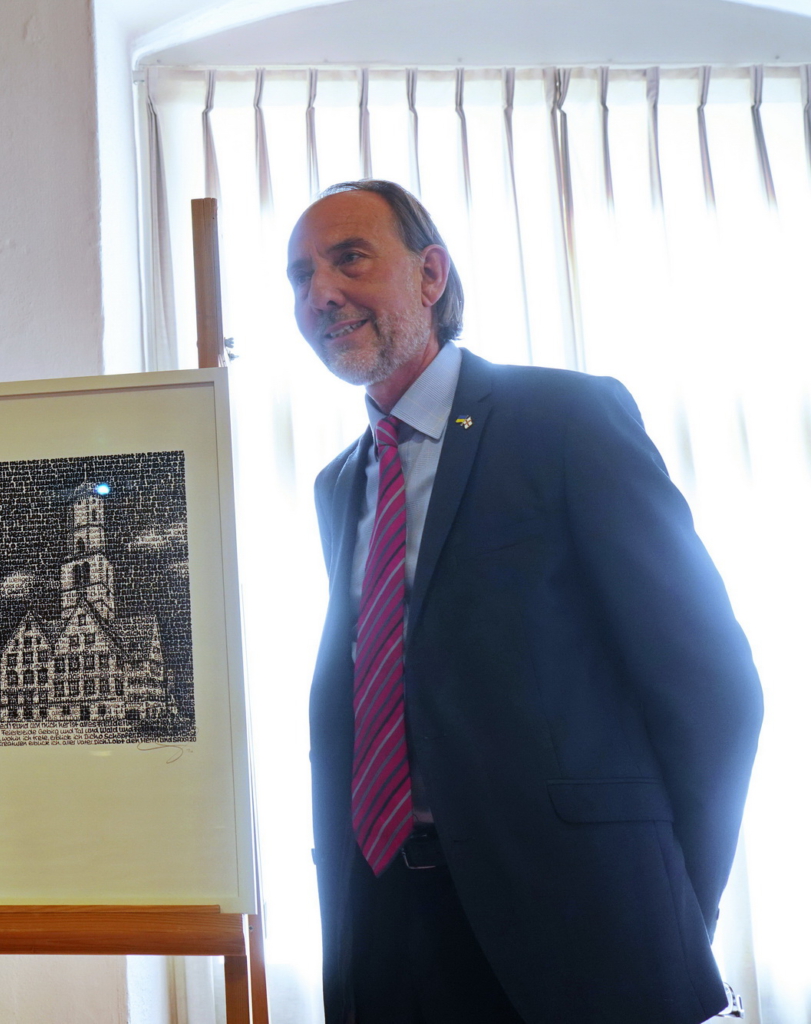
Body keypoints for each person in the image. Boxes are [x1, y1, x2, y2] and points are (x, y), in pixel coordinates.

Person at [288, 181, 761, 1024]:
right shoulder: (338, 484)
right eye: (300, 276)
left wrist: (669, 898)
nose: (319, 292)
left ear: (430, 275)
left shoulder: (564, 419)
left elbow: (711, 687)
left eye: (348, 259)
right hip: (388, 927)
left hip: (581, 922)